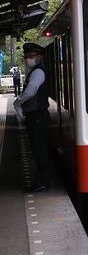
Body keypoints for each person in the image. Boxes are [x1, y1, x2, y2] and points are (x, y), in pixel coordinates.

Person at [13, 43, 50, 192]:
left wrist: (18, 101)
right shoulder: (35, 71)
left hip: (37, 116)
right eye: (27, 56)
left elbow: (31, 91)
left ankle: (42, 182)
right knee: (38, 148)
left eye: (31, 56)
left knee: (40, 149)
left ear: (39, 57)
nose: (28, 58)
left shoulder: (38, 72)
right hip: (36, 116)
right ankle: (42, 180)